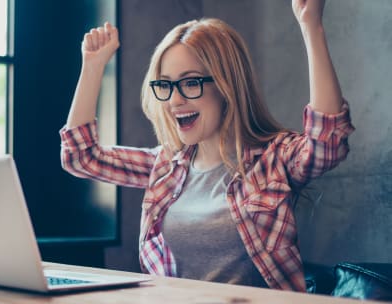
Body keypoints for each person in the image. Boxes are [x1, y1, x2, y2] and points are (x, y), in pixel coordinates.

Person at [60, 0, 354, 291]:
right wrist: (93, 65)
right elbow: (80, 157)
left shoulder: (274, 159)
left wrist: (310, 26)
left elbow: (327, 143)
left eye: (190, 83)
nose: (175, 100)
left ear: (227, 86)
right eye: (165, 85)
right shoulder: (164, 166)